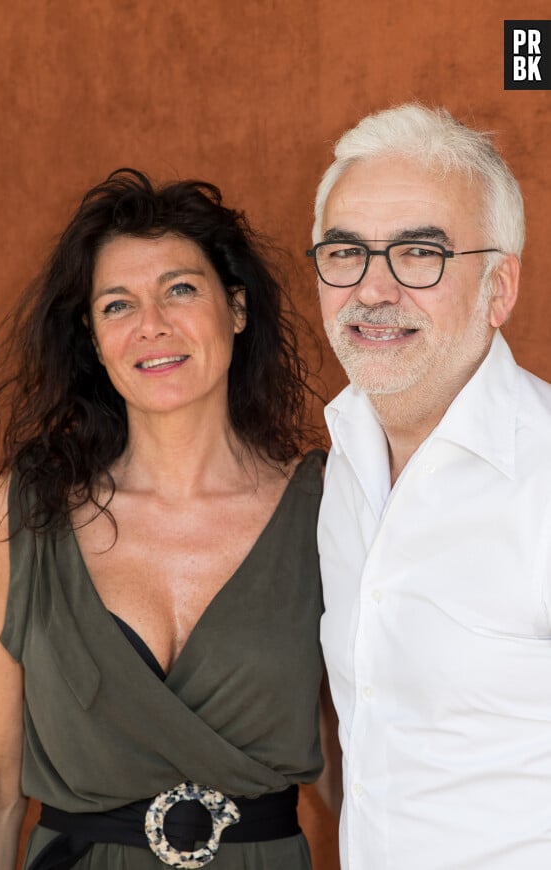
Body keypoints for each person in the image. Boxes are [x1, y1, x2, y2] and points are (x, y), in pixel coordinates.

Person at [0, 169, 328, 870]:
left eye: (181, 289)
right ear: (93, 339)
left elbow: (362, 769)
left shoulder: (325, 508)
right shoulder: (18, 520)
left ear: (237, 308)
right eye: (117, 305)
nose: (151, 325)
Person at [307, 103, 551, 870]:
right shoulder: (338, 466)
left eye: (419, 253)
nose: (373, 289)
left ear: (499, 287)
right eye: (345, 252)